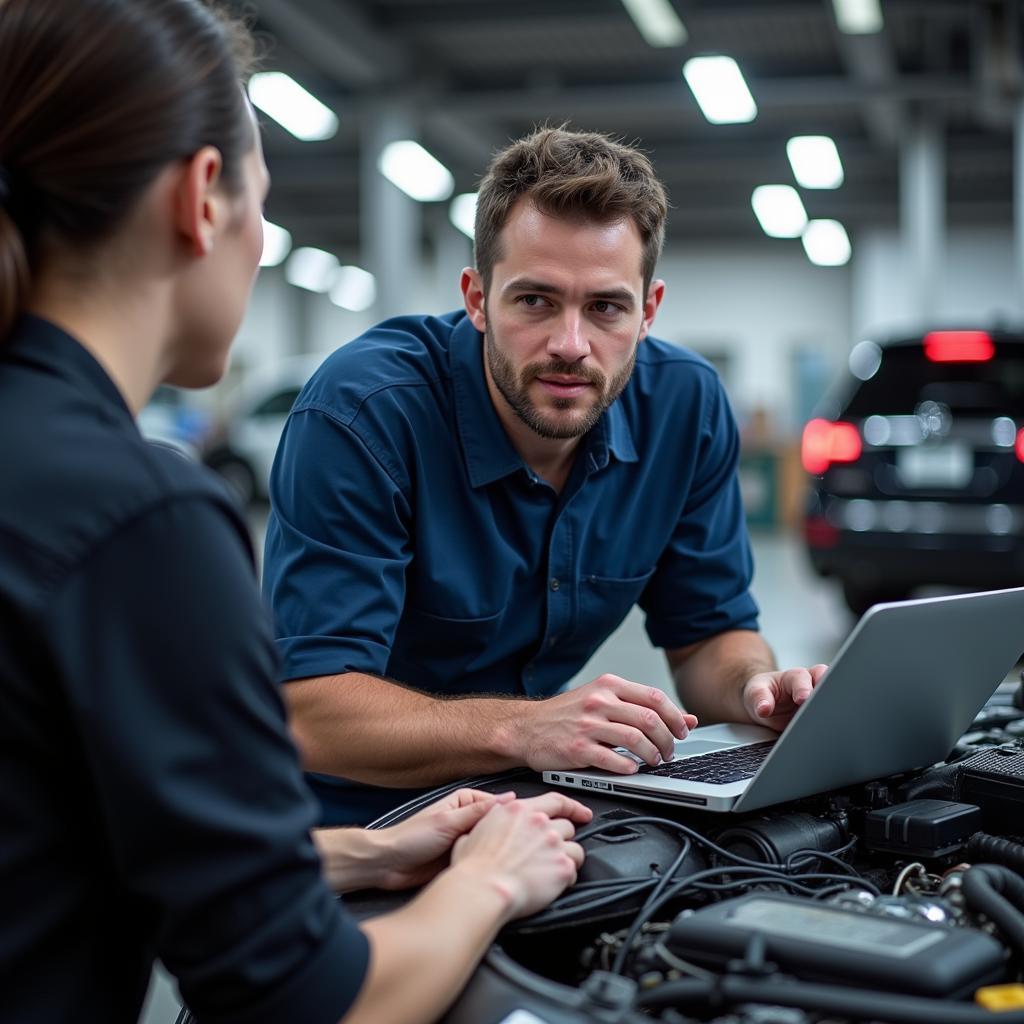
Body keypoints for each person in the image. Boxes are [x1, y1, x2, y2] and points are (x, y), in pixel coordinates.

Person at [0, 3, 591, 1023]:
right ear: (203, 199)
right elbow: (306, 998)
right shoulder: (139, 520)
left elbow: (53, 829)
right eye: (262, 199)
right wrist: (490, 874)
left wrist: (367, 847)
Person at [263, 126, 829, 827]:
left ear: (647, 312)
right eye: (534, 301)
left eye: (605, 307)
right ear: (477, 298)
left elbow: (711, 634)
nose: (570, 345)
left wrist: (758, 688)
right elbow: (310, 712)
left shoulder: (686, 407)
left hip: (545, 804)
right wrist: (523, 729)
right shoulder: (364, 413)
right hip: (353, 822)